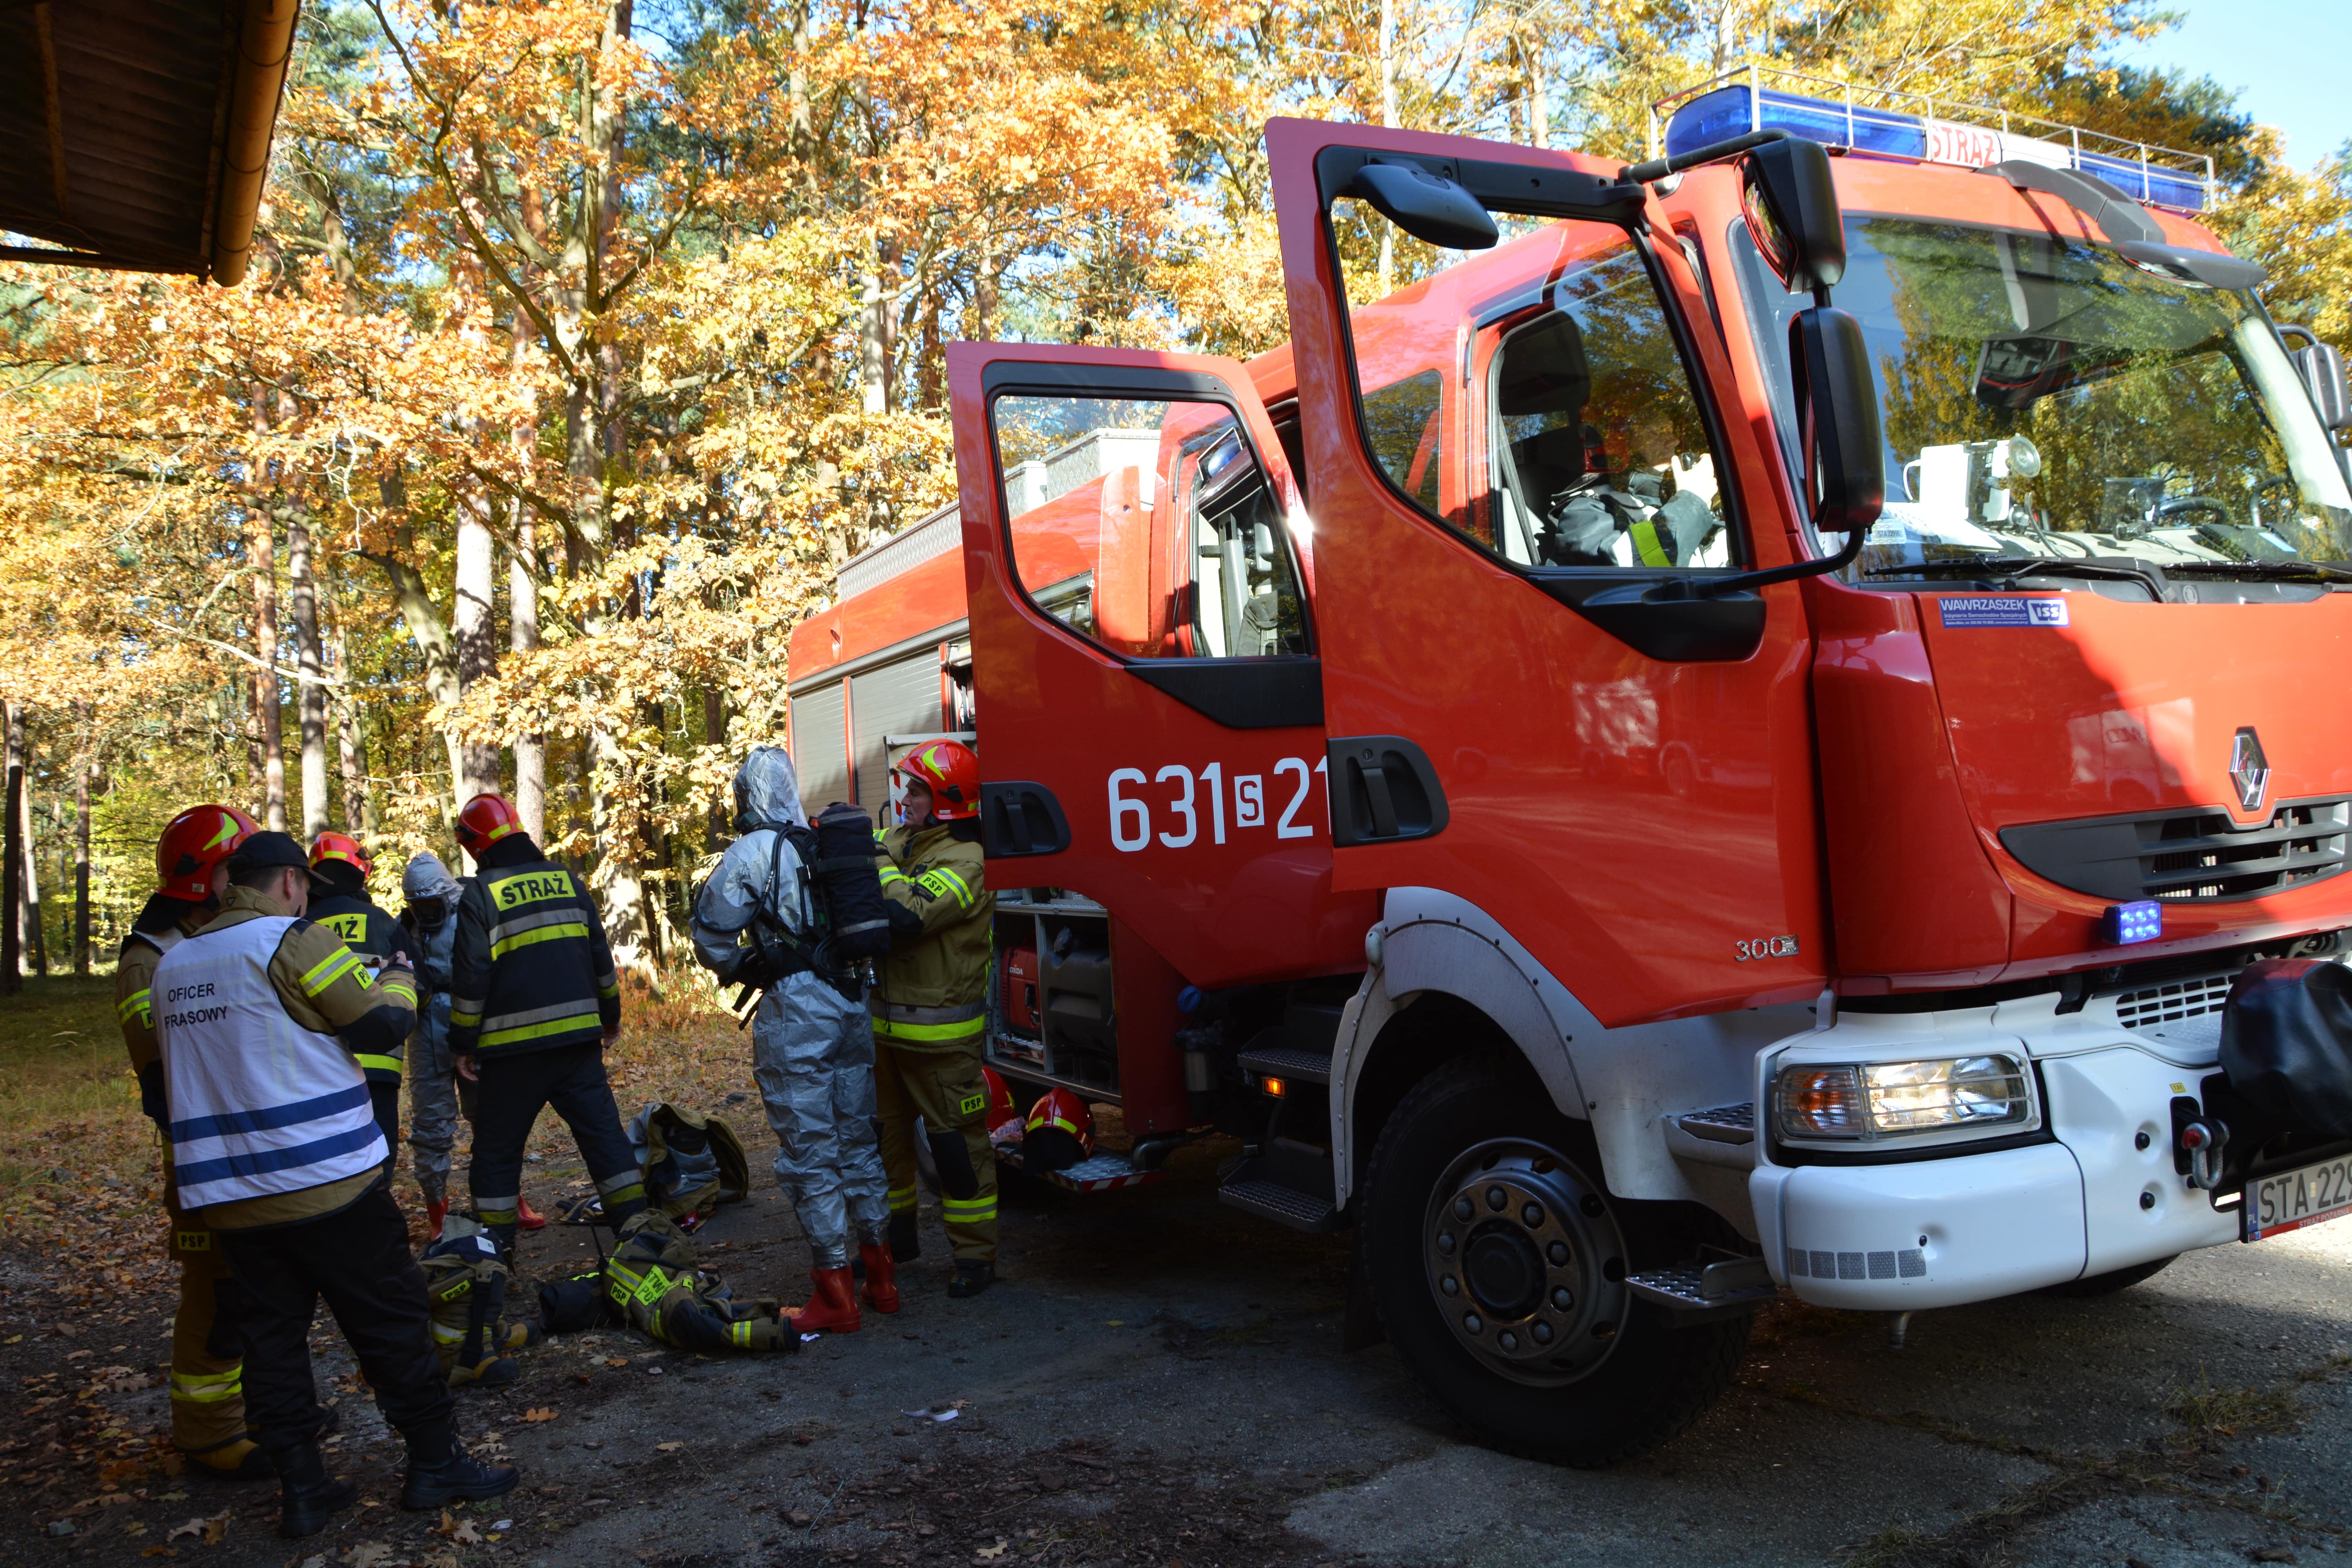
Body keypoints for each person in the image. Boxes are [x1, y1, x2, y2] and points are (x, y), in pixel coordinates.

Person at [152, 831, 514, 1537]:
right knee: (391, 1322)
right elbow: (380, 1026)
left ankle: (304, 1490)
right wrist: (400, 976)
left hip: (230, 1197)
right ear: (291, 882)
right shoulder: (291, 940)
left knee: (272, 1343)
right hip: (326, 1182)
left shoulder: (175, 964)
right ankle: (435, 1463)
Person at [689, 748, 892, 1333]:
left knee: (811, 1152)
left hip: (798, 1015)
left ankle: (836, 1295)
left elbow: (711, 937)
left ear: (746, 797)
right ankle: (881, 1280)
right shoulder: (822, 843)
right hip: (852, 1003)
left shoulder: (755, 851)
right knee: (859, 1143)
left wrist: (743, 964)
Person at [114, 803, 270, 1481]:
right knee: (218, 1296)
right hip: (202, 1157)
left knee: (260, 1288)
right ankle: (209, 1434)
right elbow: (166, 1074)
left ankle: (263, 1412)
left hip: (247, 1147)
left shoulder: (207, 937)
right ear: (208, 877)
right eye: (239, 870)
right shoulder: (150, 960)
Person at [446, 793, 647, 1256]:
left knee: (497, 1154)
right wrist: (610, 1018)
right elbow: (601, 959)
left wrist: (463, 1043)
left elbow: (471, 979)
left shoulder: (481, 893)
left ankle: (495, 1256)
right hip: (577, 1048)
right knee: (605, 1140)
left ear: (476, 844)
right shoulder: (567, 881)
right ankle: (642, 1237)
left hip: (510, 1056)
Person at [871, 739, 1000, 1298]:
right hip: (884, 1033)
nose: (905, 801)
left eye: (917, 792)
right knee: (885, 1147)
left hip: (941, 1040)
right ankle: (893, 1243)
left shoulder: (968, 861)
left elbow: (909, 914)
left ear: (947, 801)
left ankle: (975, 1257)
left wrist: (875, 862)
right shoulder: (904, 840)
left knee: (957, 1151)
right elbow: (875, 849)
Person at [306, 832, 414, 1149]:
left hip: (316, 1069)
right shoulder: (381, 922)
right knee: (379, 1152)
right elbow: (419, 986)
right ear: (361, 872)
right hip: (379, 1064)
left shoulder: (297, 924)